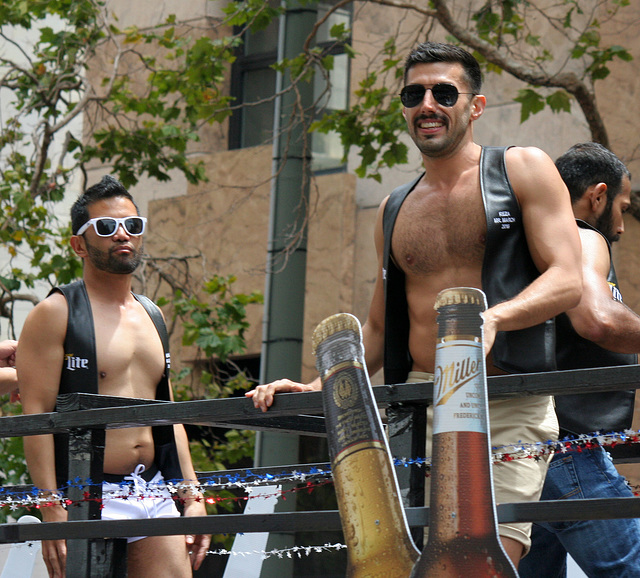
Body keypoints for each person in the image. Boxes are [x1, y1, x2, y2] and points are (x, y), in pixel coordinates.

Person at [247, 41, 583, 567]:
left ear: (475, 106)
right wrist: (319, 386)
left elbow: (567, 279)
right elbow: (381, 328)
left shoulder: (522, 169)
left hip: (508, 402)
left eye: (444, 92)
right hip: (422, 411)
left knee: (481, 561)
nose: (427, 103)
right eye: (414, 93)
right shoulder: (395, 208)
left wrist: (491, 319)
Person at [17, 176, 210, 578]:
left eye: (132, 225)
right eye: (105, 227)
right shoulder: (55, 312)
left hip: (151, 487)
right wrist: (52, 507)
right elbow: (35, 416)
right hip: (86, 491)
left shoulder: (152, 315)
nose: (122, 234)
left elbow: (168, 413)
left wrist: (191, 492)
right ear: (79, 244)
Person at [519, 142, 640, 577]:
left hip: (531, 447)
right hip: (570, 448)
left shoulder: (535, 246)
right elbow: (598, 319)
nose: (622, 227)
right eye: (622, 207)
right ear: (598, 195)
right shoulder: (584, 236)